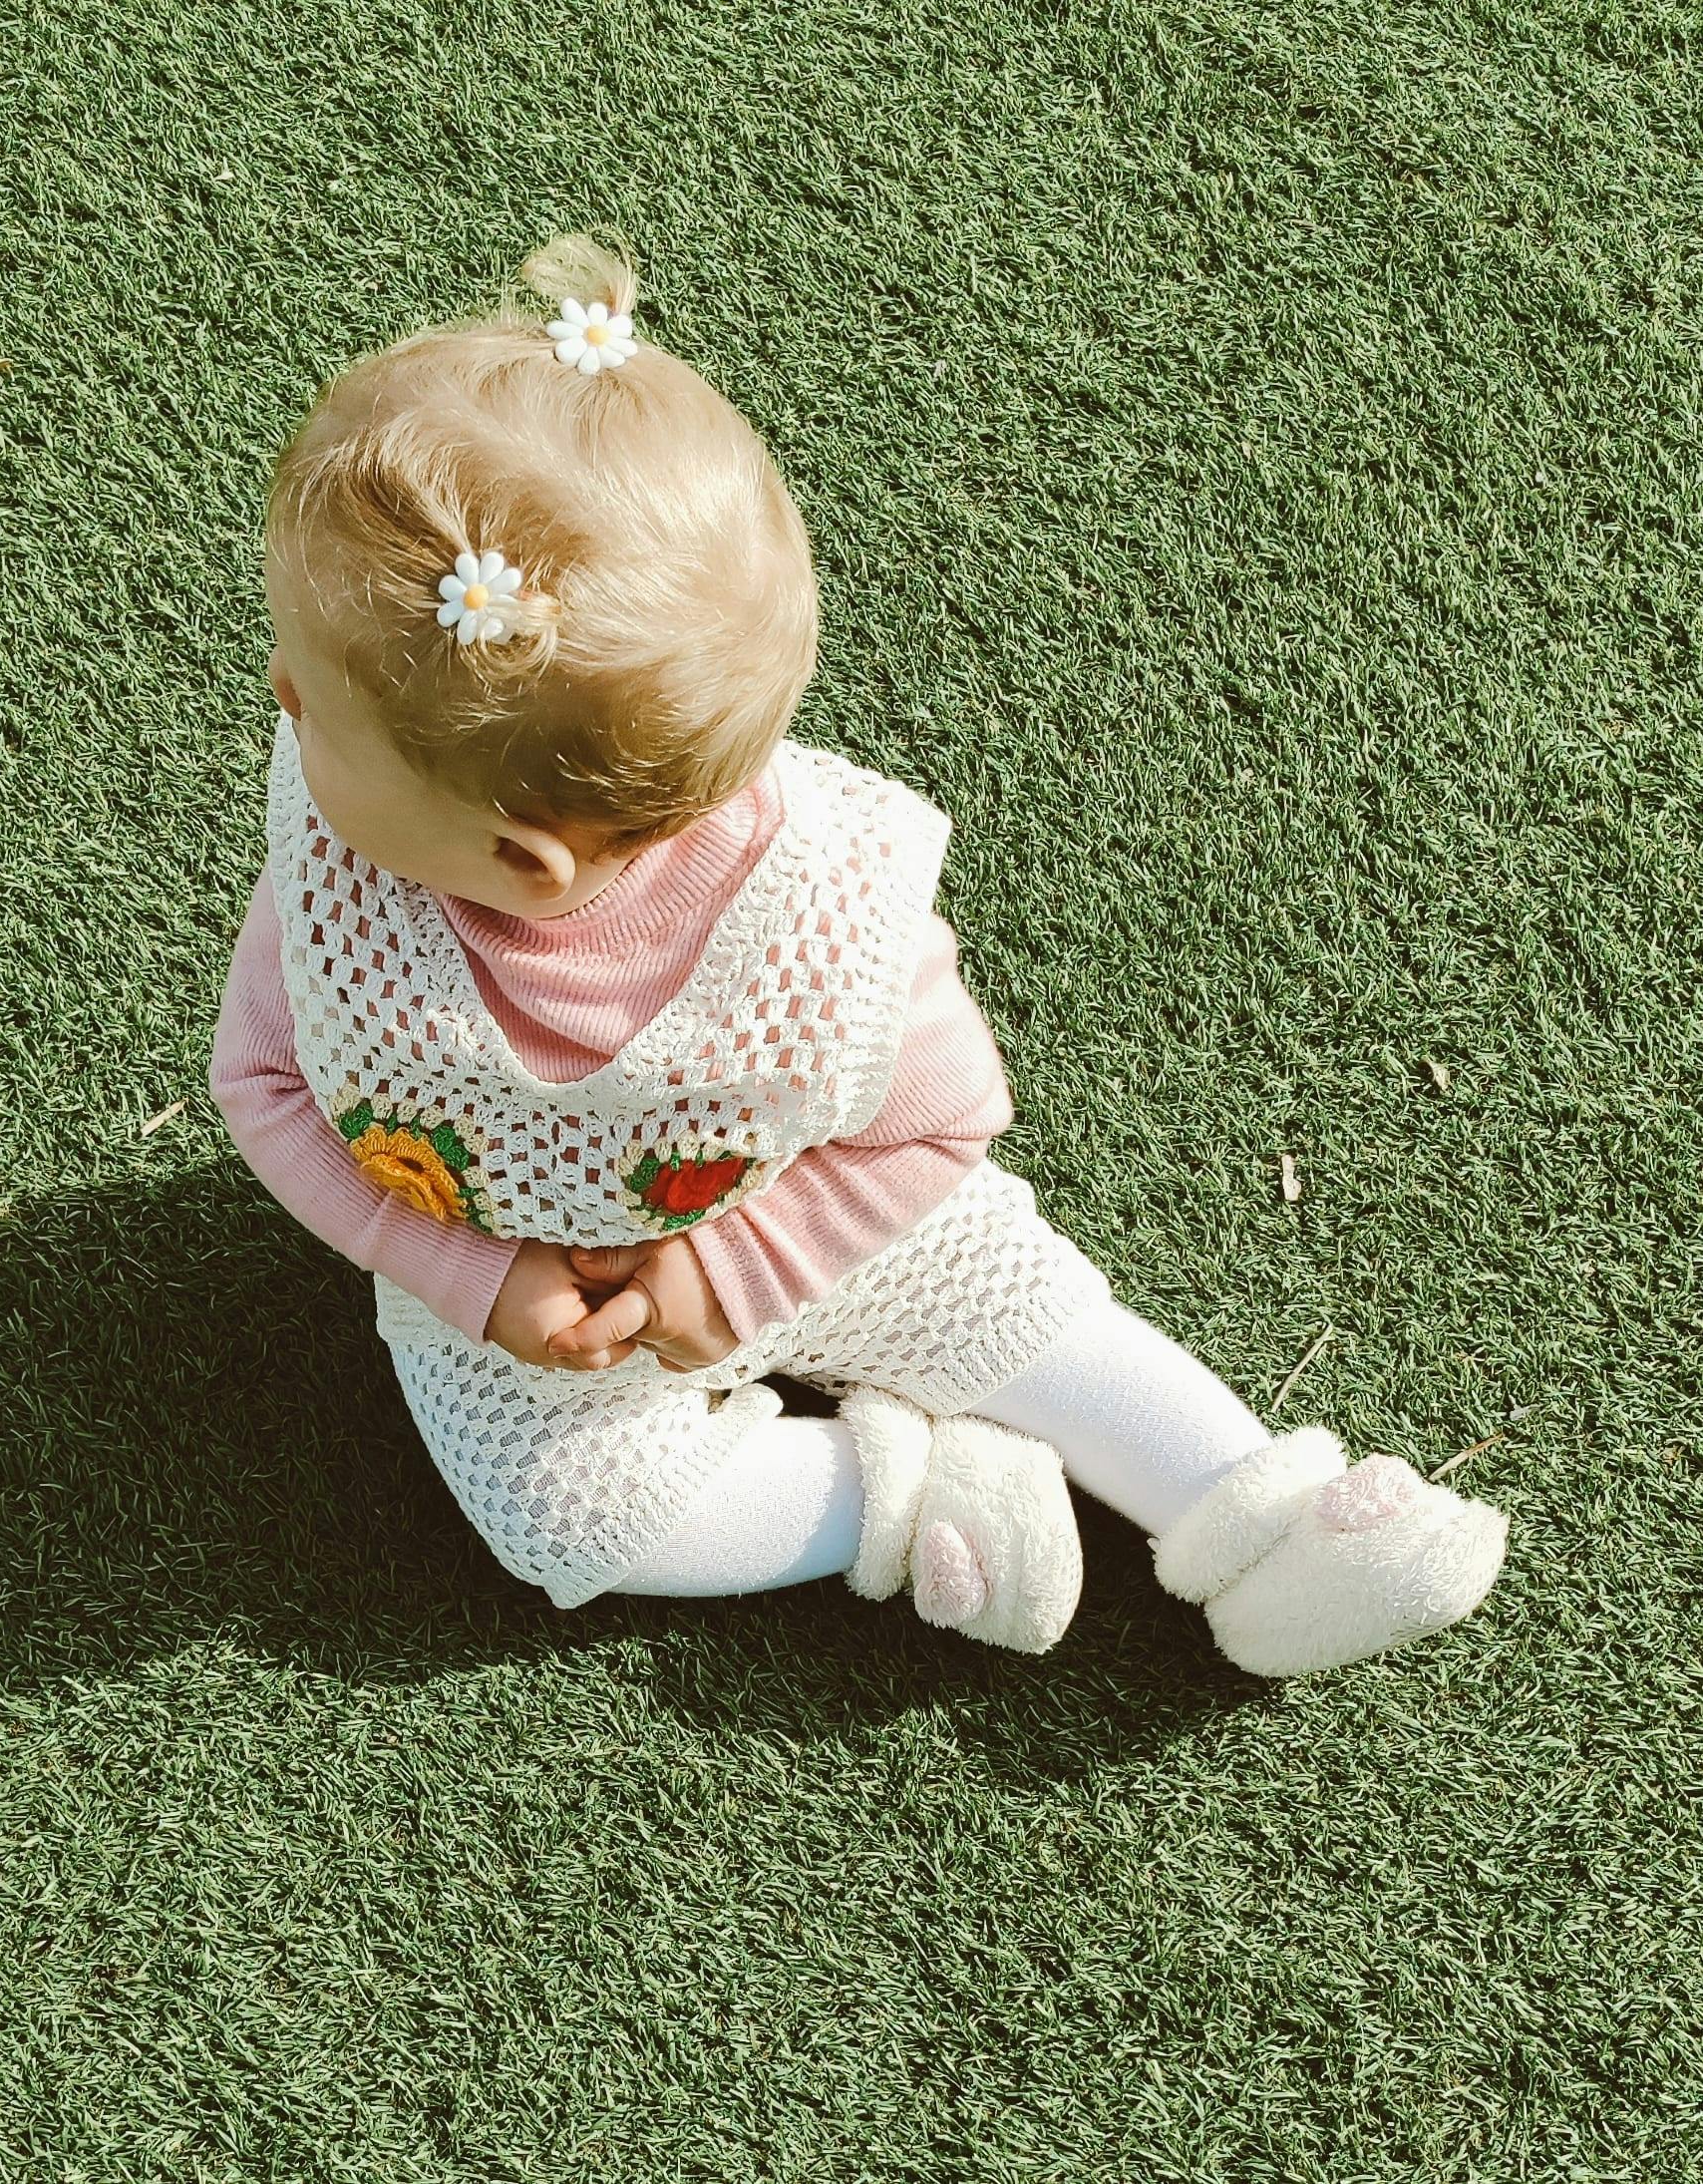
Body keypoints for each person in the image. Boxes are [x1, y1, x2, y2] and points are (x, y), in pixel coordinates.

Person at [208, 231, 1508, 1675]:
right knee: (561, 1519)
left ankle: (1265, 1513)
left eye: (307, 703)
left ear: (529, 856)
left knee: (1025, 1311)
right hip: (512, 1285)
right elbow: (268, 1086)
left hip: (809, 1214)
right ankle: (890, 1498)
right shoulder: (347, 894)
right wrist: (467, 1278)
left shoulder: (825, 920)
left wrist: (733, 1275)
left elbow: (937, 1125)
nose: (277, 704)